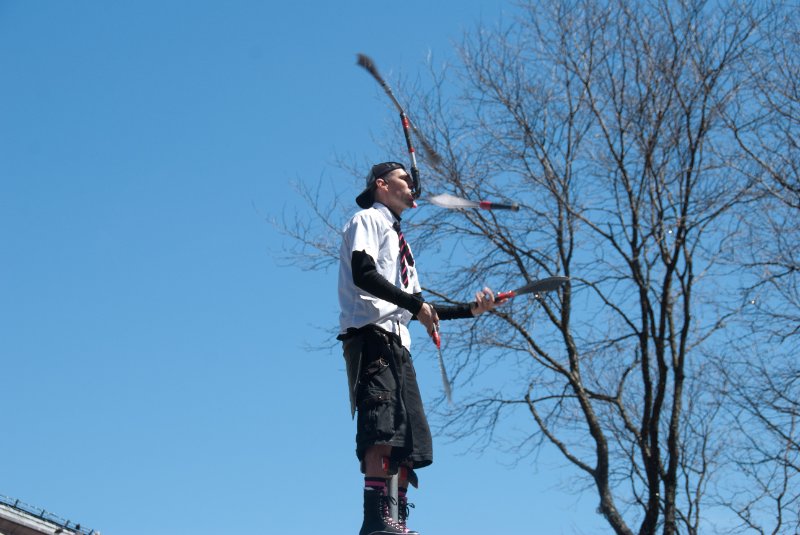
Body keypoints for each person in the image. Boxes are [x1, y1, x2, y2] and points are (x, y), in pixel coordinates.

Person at [337, 161, 503, 535]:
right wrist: (416, 306)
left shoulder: (402, 244)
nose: (411, 185)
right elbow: (364, 273)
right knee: (381, 428)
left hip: (399, 344)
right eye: (404, 179)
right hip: (371, 336)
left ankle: (396, 518)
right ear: (381, 185)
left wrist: (472, 310)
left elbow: (419, 307)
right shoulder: (367, 220)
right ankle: (375, 519)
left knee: (407, 438)